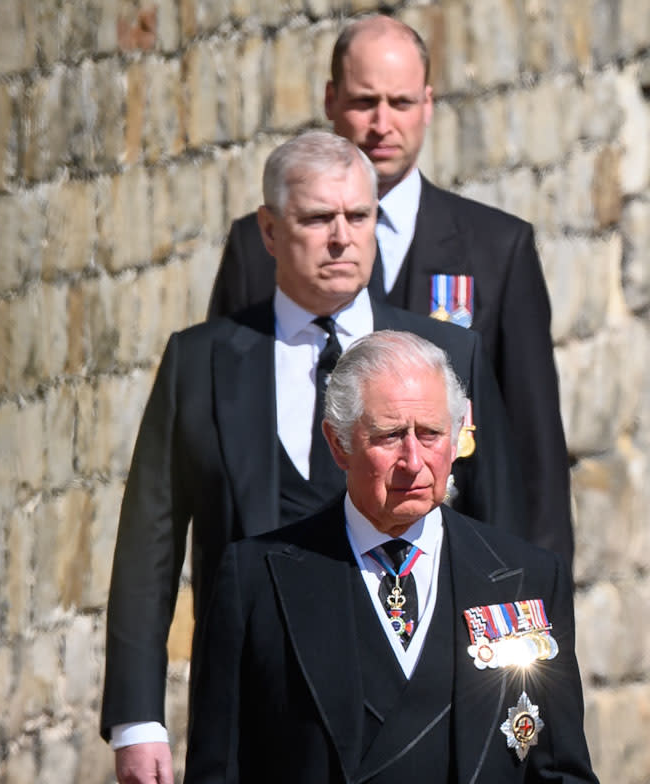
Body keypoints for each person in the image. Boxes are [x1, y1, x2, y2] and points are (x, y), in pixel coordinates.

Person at [101, 130, 527, 784]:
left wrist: (515, 704)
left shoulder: (447, 357)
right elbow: (148, 546)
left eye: (358, 217)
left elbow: (504, 546)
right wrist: (137, 718)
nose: (342, 237)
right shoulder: (201, 362)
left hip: (415, 703)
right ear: (270, 231)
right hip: (257, 705)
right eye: (317, 218)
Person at [207, 14, 573, 567]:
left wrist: (539, 615)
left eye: (399, 103)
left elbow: (533, 456)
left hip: (444, 576)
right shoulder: (260, 246)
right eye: (363, 102)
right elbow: (220, 437)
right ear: (330, 100)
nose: (381, 124)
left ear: (428, 103)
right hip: (284, 571)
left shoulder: (496, 250)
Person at [184, 330, 598, 784]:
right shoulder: (256, 582)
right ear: (339, 443)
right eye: (390, 436)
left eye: (431, 434)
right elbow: (217, 772)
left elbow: (559, 771)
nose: (413, 460)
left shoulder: (527, 579)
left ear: (459, 435)